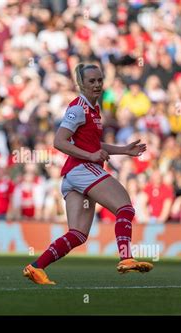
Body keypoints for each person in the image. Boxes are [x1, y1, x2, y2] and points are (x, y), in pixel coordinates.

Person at [23, 63, 154, 285]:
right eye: (91, 81)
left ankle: (35, 267)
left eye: (99, 80)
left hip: (73, 176)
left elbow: (93, 143)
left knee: (78, 234)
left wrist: (123, 150)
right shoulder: (77, 109)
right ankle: (126, 258)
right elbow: (59, 141)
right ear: (81, 84)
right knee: (125, 208)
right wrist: (91, 156)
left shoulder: (93, 110)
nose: (97, 85)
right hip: (81, 169)